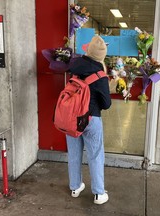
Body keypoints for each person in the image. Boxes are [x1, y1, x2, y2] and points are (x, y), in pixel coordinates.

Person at [66, 35, 111, 205]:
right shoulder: (100, 75)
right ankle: (99, 193)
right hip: (91, 118)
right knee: (96, 155)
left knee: (74, 153)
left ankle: (75, 187)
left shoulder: (74, 67)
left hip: (71, 117)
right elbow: (106, 104)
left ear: (88, 50)